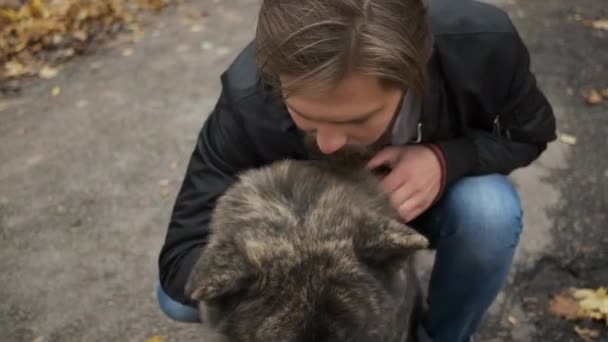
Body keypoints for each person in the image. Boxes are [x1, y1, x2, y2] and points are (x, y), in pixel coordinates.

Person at [156, 0, 557, 341]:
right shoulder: (248, 97)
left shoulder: (483, 45)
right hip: (304, 238)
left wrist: (449, 158)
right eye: (307, 117)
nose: (329, 143)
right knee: (178, 302)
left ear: (414, 75)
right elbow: (180, 260)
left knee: (489, 213)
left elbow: (529, 132)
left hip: (420, 209)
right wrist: (284, 270)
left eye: (357, 120)